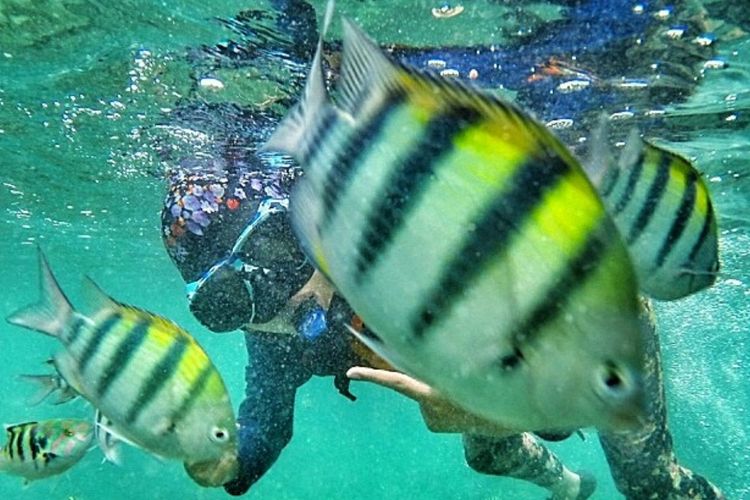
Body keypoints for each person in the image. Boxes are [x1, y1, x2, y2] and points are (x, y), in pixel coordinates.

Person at [158, 0, 725, 498]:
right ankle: (568, 487)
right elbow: (265, 422)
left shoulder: (409, 237)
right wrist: (229, 463)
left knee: (648, 485)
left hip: (582, 312)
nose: (281, 305)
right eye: (236, 304)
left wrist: (497, 405)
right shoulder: (278, 341)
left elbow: (558, 376)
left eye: (281, 256)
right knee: (486, 452)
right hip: (495, 363)